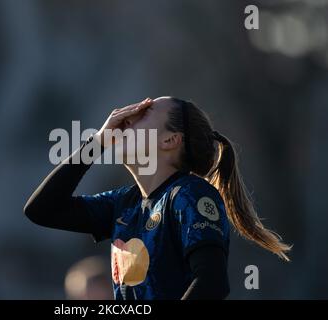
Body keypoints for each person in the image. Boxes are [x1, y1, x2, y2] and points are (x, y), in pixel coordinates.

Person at [24, 96, 291, 300]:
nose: (127, 119)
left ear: (170, 140)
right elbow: (42, 210)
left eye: (143, 113)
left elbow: (212, 283)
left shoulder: (188, 195)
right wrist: (96, 142)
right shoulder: (123, 203)